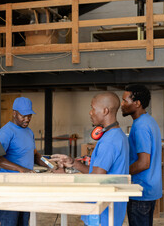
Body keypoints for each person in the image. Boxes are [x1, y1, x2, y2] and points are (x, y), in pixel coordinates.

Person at [51, 92, 129, 226]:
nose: (90, 112)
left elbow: (96, 179)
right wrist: (74, 163)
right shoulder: (117, 135)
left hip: (102, 213)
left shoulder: (109, 141)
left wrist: (65, 177)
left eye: (93, 108)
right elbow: (97, 172)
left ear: (105, 111)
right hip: (109, 210)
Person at [0, 97, 47, 226]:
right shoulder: (6, 132)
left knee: (23, 222)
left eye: (29, 116)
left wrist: (52, 164)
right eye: (23, 115)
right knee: (9, 222)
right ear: (14, 113)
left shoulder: (29, 132)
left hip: (26, 185)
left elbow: (35, 155)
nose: (27, 119)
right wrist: (21, 169)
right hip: (9, 187)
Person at [121, 84, 162, 226]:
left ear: (137, 103)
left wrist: (120, 174)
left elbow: (144, 163)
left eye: (125, 101)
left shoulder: (141, 126)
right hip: (149, 189)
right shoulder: (149, 121)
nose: (122, 105)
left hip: (140, 191)